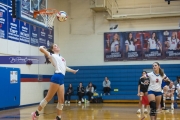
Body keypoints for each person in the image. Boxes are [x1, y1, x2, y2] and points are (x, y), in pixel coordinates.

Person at [31, 44, 79, 120]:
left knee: (61, 100)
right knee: (48, 98)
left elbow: (64, 67)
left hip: (61, 79)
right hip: (57, 77)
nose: (57, 46)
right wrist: (43, 48)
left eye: (57, 45)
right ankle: (36, 113)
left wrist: (73, 71)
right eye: (55, 46)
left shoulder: (61, 57)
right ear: (53, 49)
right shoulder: (52, 55)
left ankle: (58, 117)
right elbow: (40, 49)